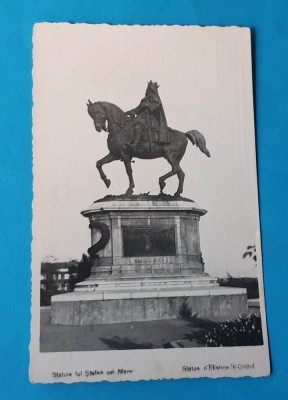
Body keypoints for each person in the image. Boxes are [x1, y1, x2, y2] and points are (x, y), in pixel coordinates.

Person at [125, 81, 169, 150]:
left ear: (151, 89)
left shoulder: (155, 97)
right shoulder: (145, 99)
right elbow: (137, 109)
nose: (146, 90)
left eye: (148, 88)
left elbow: (156, 106)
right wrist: (128, 112)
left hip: (151, 119)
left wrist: (147, 106)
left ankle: (135, 145)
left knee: (138, 126)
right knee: (129, 123)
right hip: (142, 117)